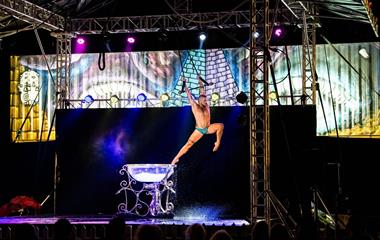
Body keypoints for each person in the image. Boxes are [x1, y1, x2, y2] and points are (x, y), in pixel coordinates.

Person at [171, 75, 224, 165]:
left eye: (206, 100)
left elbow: (202, 90)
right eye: (204, 100)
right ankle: (175, 158)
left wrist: (199, 80)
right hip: (199, 130)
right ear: (199, 100)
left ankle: (217, 142)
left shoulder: (206, 106)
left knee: (221, 126)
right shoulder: (195, 106)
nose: (206, 101)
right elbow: (189, 95)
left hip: (208, 128)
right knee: (188, 145)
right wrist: (184, 83)